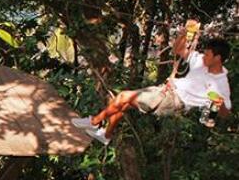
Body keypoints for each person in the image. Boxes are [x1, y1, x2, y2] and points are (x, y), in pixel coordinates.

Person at [73, 34, 232, 145]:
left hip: (172, 101)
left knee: (122, 97)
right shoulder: (200, 61)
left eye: (207, 55)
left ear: (217, 58)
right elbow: (178, 49)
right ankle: (106, 135)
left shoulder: (221, 83)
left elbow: (226, 114)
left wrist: (220, 103)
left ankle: (93, 121)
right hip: (164, 90)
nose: (203, 57)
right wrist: (184, 33)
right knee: (122, 105)